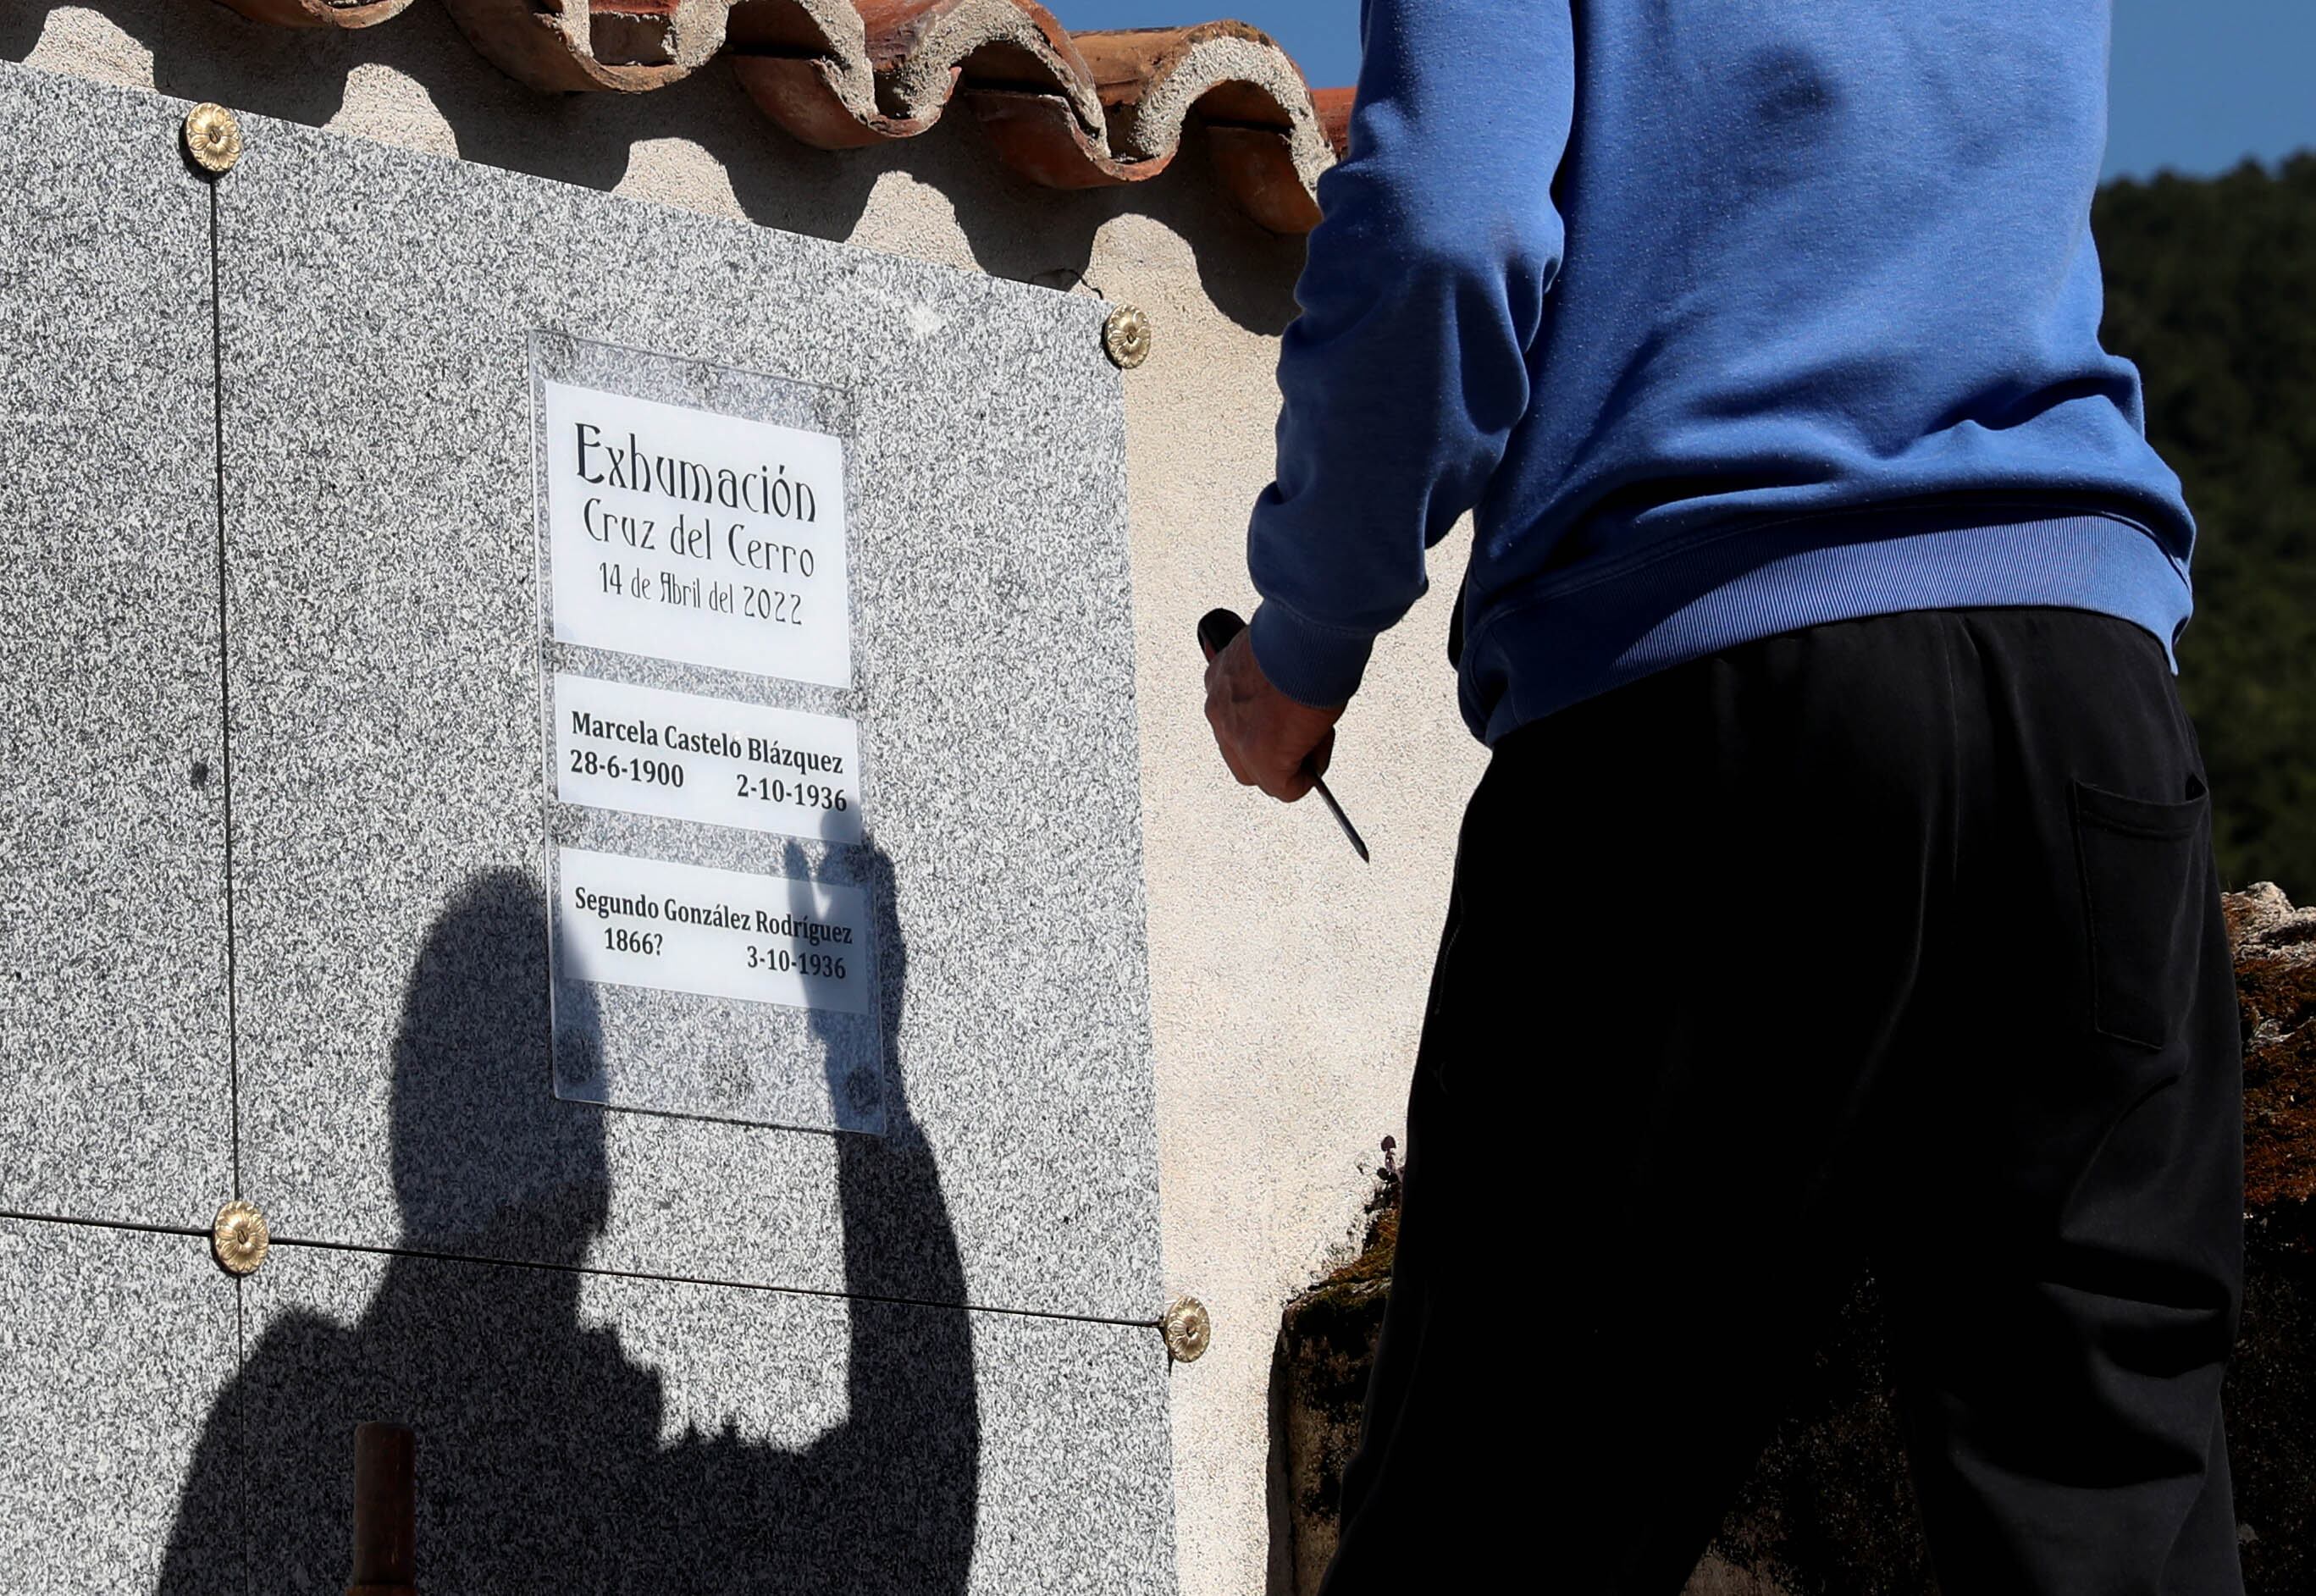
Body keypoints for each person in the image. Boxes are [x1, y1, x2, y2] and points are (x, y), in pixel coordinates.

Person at [1202, 3, 2242, 1592]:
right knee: (2111, 1524)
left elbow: (1447, 226)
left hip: (1707, 697)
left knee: (1499, 1519)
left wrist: (1305, 644)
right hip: (2088, 694)